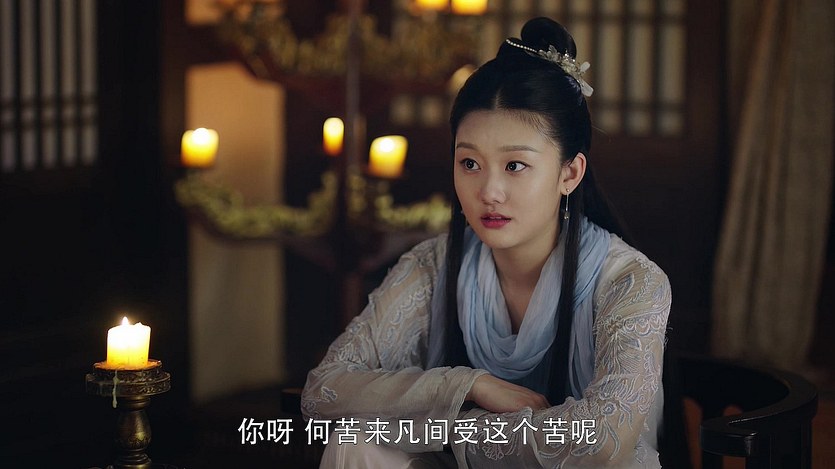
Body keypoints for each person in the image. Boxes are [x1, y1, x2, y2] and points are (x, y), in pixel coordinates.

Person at [302, 17, 671, 468]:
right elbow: (325, 389)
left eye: (514, 166)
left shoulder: (630, 282)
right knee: (355, 442)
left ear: (570, 173)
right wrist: (468, 384)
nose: (489, 192)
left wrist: (450, 427)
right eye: (470, 164)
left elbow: (603, 440)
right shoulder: (433, 264)